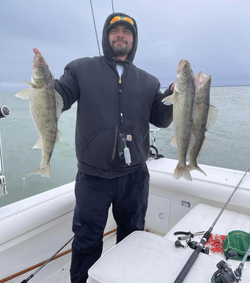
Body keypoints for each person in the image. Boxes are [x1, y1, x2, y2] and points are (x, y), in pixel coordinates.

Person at [36, 12, 174, 283]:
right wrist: (44, 80)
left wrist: (174, 93)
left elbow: (161, 118)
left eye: (126, 31)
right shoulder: (81, 69)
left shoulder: (148, 81)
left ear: (134, 40)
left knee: (132, 239)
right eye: (114, 31)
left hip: (134, 177)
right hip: (93, 177)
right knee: (87, 241)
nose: (120, 35)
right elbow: (58, 99)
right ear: (106, 37)